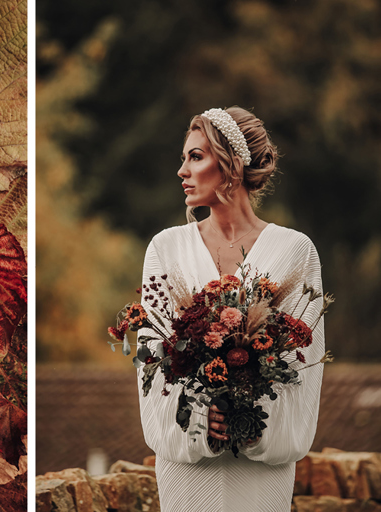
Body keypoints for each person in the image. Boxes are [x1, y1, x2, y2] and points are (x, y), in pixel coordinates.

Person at [137, 107, 324, 512]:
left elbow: (305, 367)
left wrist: (251, 420)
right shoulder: (165, 249)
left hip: (260, 466)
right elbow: (149, 367)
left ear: (232, 165)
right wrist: (200, 419)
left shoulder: (295, 251)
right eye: (184, 158)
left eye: (196, 157)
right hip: (189, 469)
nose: (182, 171)